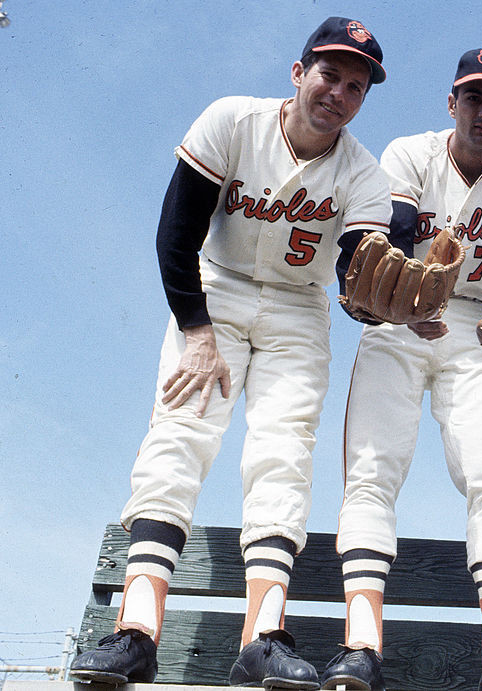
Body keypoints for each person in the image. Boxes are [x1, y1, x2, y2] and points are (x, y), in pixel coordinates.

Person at [69, 17, 392, 689]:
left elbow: (357, 276)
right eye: (330, 73)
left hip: (300, 309)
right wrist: (194, 329)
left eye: (355, 85)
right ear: (300, 72)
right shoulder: (233, 120)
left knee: (283, 453)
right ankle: (136, 632)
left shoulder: (364, 173)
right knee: (179, 435)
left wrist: (386, 301)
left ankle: (262, 639)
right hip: (214, 288)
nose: (339, 92)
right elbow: (175, 231)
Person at [323, 47, 482, 691]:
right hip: (399, 316)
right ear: (451, 102)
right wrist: (403, 304)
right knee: (373, 474)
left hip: (469, 327)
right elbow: (398, 237)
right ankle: (360, 645)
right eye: (473, 97)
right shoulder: (412, 154)